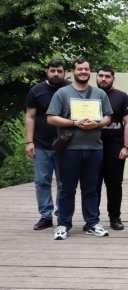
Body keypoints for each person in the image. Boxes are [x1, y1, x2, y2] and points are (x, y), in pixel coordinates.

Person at [46, 59, 113, 240]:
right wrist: (73, 122)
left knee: (91, 189)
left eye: (86, 69)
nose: (83, 71)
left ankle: (92, 223)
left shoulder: (99, 93)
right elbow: (51, 118)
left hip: (94, 148)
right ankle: (63, 224)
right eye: (80, 69)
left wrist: (97, 123)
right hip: (70, 149)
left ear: (90, 71)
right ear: (73, 71)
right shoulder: (62, 93)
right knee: (67, 188)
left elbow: (108, 117)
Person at [25, 59, 69, 231]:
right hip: (41, 145)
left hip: (65, 144)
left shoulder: (70, 89)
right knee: (42, 181)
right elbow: (30, 116)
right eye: (52, 70)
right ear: (47, 71)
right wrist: (29, 141)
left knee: (63, 182)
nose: (56, 74)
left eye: (59, 71)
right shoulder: (36, 90)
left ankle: (62, 215)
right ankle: (45, 216)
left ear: (65, 72)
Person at [95, 65, 128, 231]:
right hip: (92, 147)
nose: (103, 79)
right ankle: (92, 218)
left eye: (107, 76)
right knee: (92, 185)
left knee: (114, 184)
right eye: (101, 76)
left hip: (116, 147)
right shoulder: (89, 95)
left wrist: (126, 146)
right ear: (96, 77)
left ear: (113, 78)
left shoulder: (122, 96)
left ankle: (115, 217)